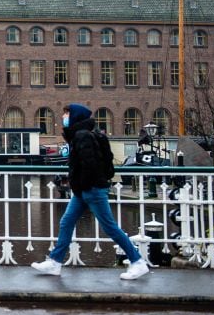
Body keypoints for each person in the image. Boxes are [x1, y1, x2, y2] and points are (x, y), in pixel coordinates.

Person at [32, 103, 149, 280]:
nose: (64, 118)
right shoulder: (87, 135)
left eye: (66, 115)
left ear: (75, 117)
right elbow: (105, 165)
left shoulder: (81, 137)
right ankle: (55, 262)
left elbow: (89, 164)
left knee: (110, 227)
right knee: (66, 221)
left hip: (91, 190)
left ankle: (137, 261)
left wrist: (81, 185)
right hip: (84, 190)